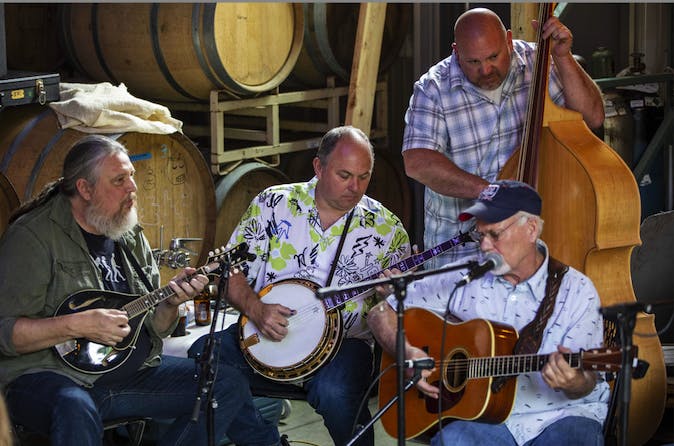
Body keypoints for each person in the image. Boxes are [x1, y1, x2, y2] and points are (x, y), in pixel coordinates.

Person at [0, 135, 249, 445]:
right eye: (119, 180)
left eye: (131, 176)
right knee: (75, 408)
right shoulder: (32, 238)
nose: (132, 187)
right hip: (52, 377)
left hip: (129, 375)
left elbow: (154, 327)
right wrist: (75, 325)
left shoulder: (126, 231)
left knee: (225, 384)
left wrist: (170, 304)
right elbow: (4, 332)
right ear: (85, 189)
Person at [189, 125, 411, 446]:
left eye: (364, 177)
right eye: (345, 175)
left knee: (335, 393)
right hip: (268, 330)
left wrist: (394, 296)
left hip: (344, 344)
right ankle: (265, 442)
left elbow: (398, 310)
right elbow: (231, 270)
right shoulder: (273, 204)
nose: (355, 187)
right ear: (319, 167)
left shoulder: (387, 229)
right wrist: (256, 309)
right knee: (204, 357)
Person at [368, 179, 609, 446]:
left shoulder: (577, 290)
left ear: (531, 229)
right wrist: (405, 352)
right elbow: (381, 312)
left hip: (562, 415)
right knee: (452, 441)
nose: (484, 246)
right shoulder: (466, 274)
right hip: (488, 419)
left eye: (494, 234)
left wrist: (574, 381)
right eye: (481, 234)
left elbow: (588, 380)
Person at [402, 7, 605, 269]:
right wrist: (489, 193)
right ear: (456, 51)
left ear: (508, 40)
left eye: (493, 57)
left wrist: (563, 57)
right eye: (473, 62)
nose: (486, 69)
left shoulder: (539, 61)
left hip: (537, 242)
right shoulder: (433, 87)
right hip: (461, 253)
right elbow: (417, 161)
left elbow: (593, 117)